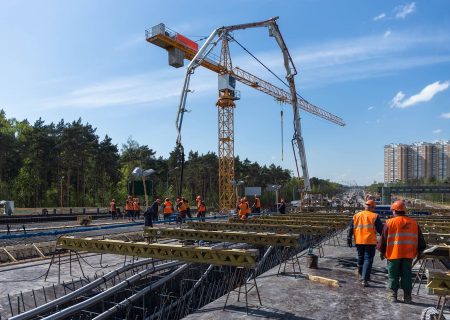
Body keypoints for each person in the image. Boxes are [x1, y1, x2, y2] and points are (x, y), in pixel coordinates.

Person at [377, 200, 426, 303]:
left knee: (393, 275)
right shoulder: (413, 223)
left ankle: (392, 296)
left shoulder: (390, 222)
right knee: (407, 275)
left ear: (394, 211)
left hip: (393, 254)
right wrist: (420, 251)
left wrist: (381, 251)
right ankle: (407, 297)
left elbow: (383, 238)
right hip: (408, 255)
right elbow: (420, 239)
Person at [347, 199, 383, 287]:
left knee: (360, 257)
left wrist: (348, 237)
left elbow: (350, 228)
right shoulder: (374, 216)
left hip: (359, 240)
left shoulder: (356, 215)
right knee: (368, 259)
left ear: (365, 206)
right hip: (370, 241)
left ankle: (360, 274)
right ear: (373, 207)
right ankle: (364, 279)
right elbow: (381, 230)